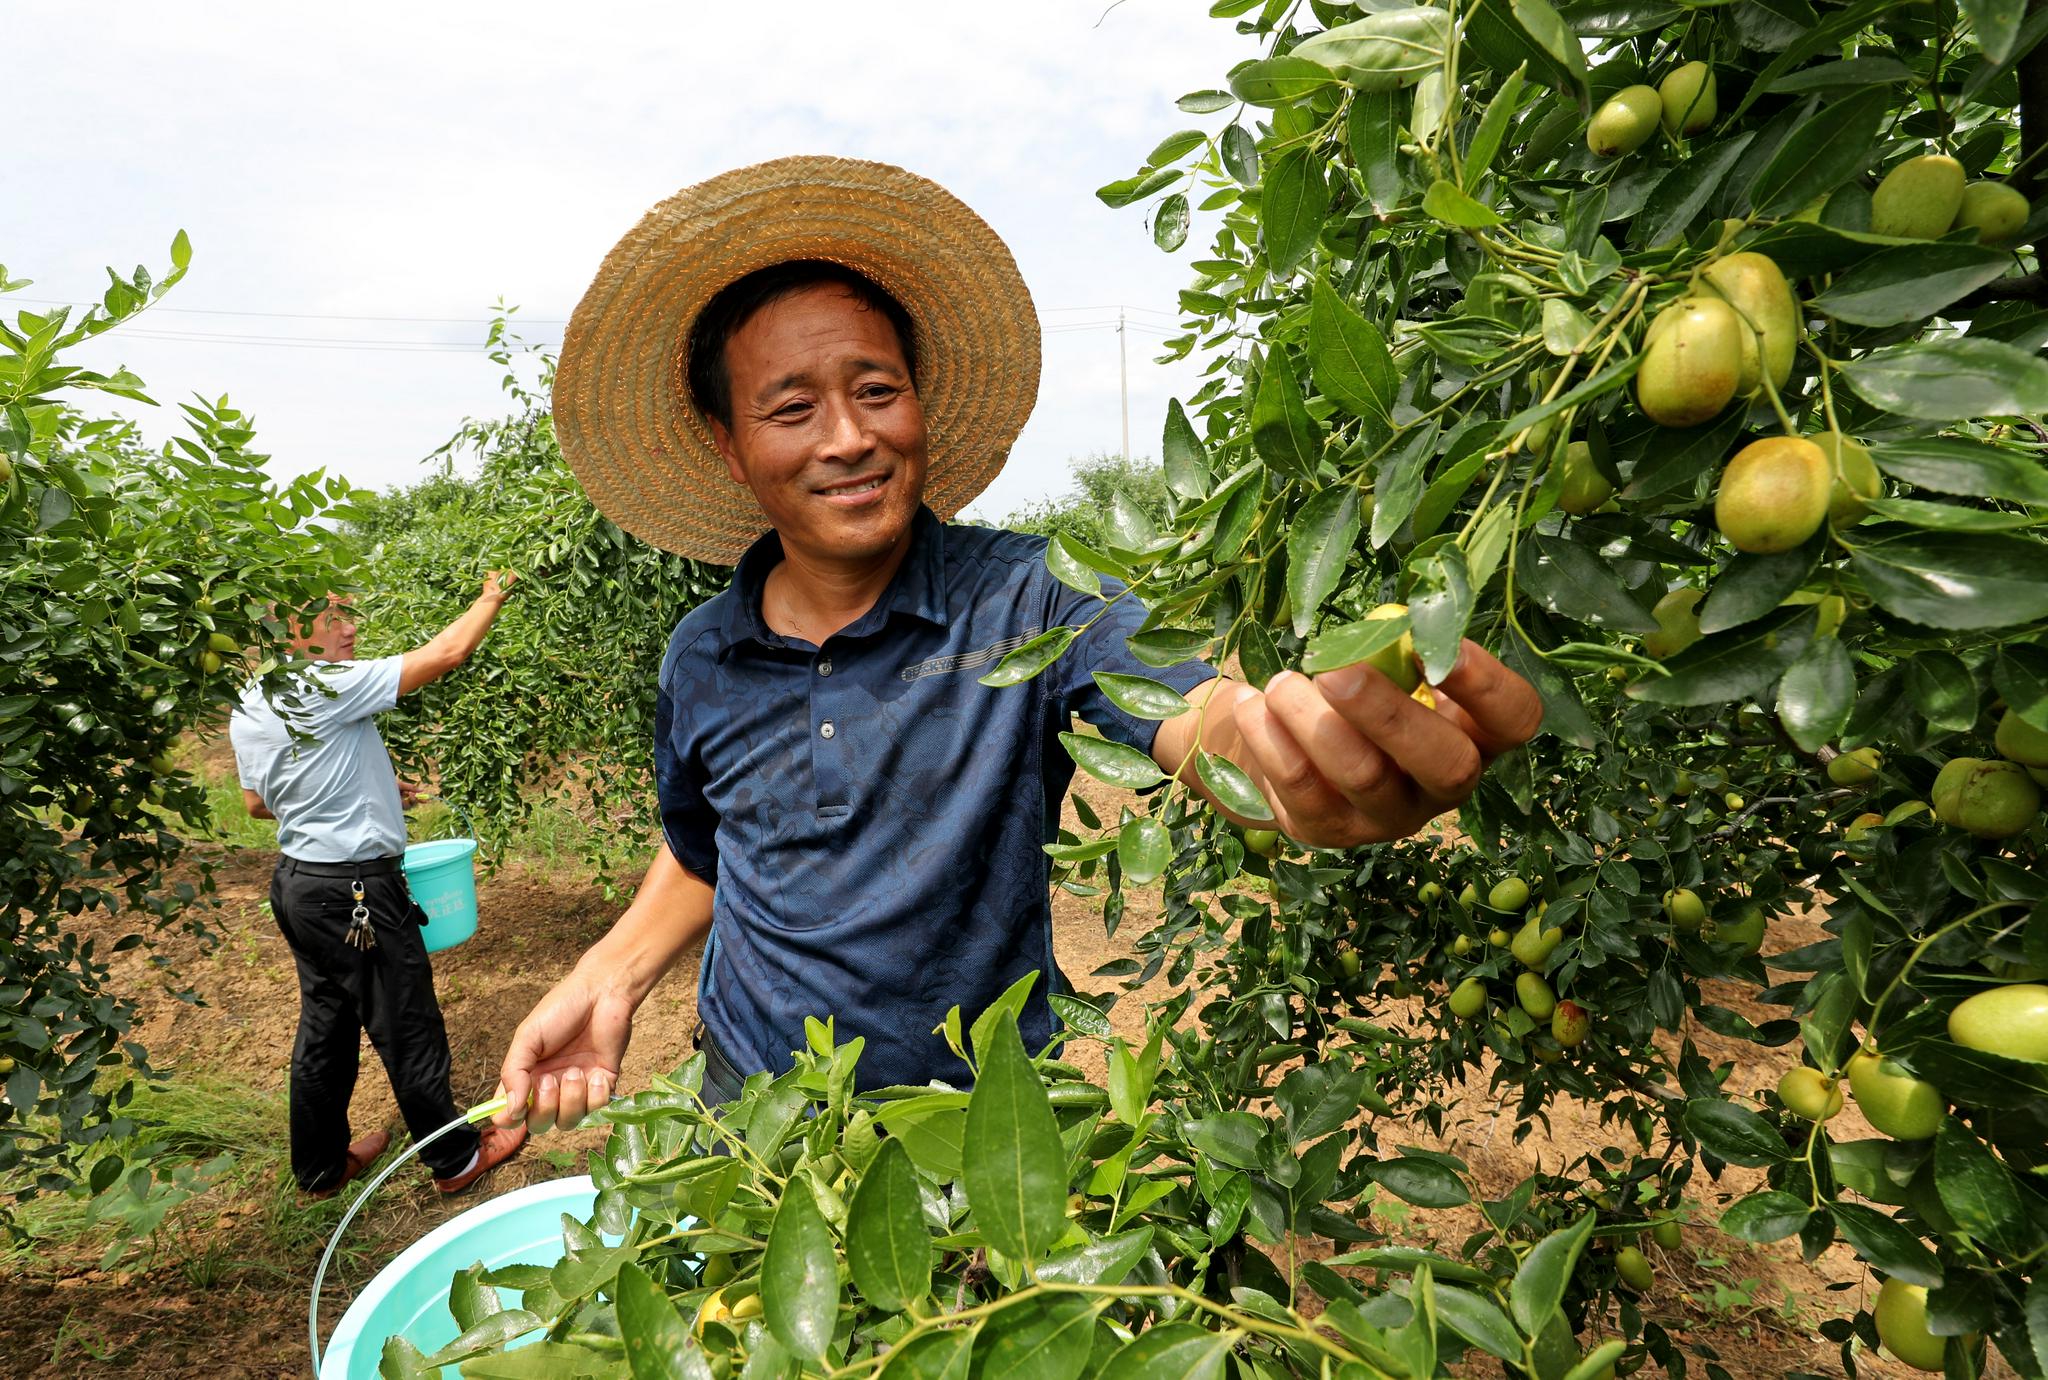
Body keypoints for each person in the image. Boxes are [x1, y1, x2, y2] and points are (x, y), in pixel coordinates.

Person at [494, 156, 1544, 1133]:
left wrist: (1292, 760)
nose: (849, 437)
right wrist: (606, 980)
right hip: (751, 1106)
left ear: (916, 405)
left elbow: (1200, 717)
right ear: (730, 447)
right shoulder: (703, 656)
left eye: (876, 390)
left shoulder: (1034, 599)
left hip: (977, 1128)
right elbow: (712, 851)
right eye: (792, 407)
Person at [231, 578, 530, 1198]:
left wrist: (364, 789)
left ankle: (320, 1168)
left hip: (300, 887)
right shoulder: (321, 684)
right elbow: (445, 654)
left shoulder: (253, 698)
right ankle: (455, 1159)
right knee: (407, 1023)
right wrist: (492, 596)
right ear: (288, 630)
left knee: (327, 1026)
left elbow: (258, 802)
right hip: (354, 894)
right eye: (331, 618)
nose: (350, 628)